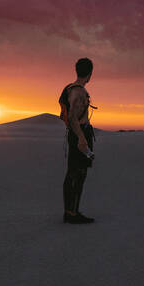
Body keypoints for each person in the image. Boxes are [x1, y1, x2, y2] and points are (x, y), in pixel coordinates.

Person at [58, 58, 97, 224]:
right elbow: (73, 116)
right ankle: (72, 214)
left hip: (75, 133)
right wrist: (81, 138)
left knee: (74, 172)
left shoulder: (69, 88)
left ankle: (71, 211)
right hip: (79, 134)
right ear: (89, 74)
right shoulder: (78, 91)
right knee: (78, 173)